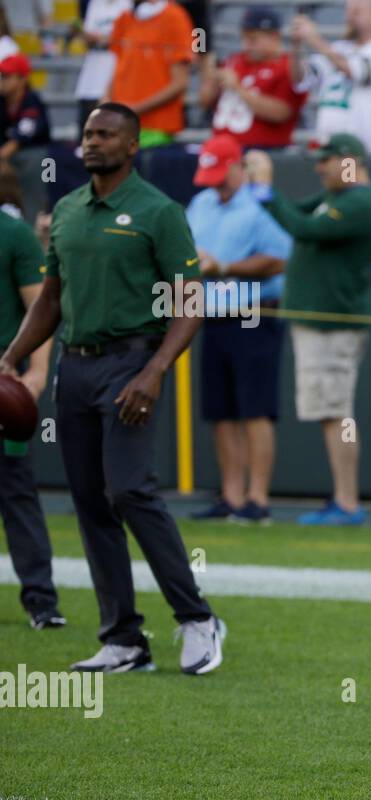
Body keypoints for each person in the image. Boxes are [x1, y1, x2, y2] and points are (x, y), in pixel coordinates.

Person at [0, 104, 227, 673]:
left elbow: (189, 301)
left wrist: (154, 371)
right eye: (88, 133)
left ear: (132, 146)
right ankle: (124, 638)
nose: (92, 142)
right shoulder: (70, 209)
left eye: (106, 134)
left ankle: (197, 618)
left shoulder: (160, 210)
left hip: (132, 364)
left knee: (130, 491)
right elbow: (50, 297)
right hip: (74, 368)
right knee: (90, 502)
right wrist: (12, 355)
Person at [246, 134, 371, 526]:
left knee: (338, 413)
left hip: (333, 324)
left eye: (327, 160)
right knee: (331, 412)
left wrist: (266, 187)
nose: (319, 167)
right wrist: (260, 188)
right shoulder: (337, 197)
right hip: (318, 324)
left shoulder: (362, 201)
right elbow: (290, 212)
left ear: (350, 161)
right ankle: (342, 498)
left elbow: (303, 228)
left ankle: (347, 500)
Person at [186, 134, 292, 525]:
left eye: (221, 173)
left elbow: (279, 260)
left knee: (255, 409)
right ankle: (230, 496)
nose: (215, 181)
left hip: (254, 314)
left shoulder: (261, 206)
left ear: (237, 167)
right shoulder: (201, 203)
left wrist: (225, 267)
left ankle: (257, 499)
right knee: (221, 412)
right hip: (212, 315)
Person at [0, 168, 63, 629]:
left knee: (16, 490)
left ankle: (41, 598)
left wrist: (37, 373)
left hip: (2, 387)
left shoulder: (14, 235)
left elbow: (40, 307)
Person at [292, 0, 371, 156]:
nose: (349, 17)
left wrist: (314, 39)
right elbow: (302, 79)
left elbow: (355, 70)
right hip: (331, 151)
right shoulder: (338, 47)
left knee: (355, 180)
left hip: (367, 151)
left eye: (357, 11)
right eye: (348, 11)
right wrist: (297, 46)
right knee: (340, 179)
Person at [202, 6, 307, 151]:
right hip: (222, 148)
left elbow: (282, 113)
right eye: (244, 37)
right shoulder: (235, 61)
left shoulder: (287, 67)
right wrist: (212, 80)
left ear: (274, 37)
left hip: (263, 149)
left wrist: (238, 88)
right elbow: (205, 101)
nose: (246, 44)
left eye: (253, 39)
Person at [105, 0, 195, 148]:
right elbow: (116, 69)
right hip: (120, 126)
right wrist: (106, 106)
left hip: (155, 129)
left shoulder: (175, 17)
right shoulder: (124, 18)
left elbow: (180, 83)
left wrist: (134, 109)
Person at [71, 0, 132, 128]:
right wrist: (83, 35)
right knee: (87, 125)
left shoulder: (129, 4)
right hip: (92, 72)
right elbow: (88, 39)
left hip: (116, 69)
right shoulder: (93, 3)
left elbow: (131, 37)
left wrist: (103, 39)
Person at [0, 53, 48, 161]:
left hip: (37, 158)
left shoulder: (31, 100)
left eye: (7, 76)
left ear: (22, 79)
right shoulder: (2, 100)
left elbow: (20, 138)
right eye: (2, 76)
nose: (2, 81)